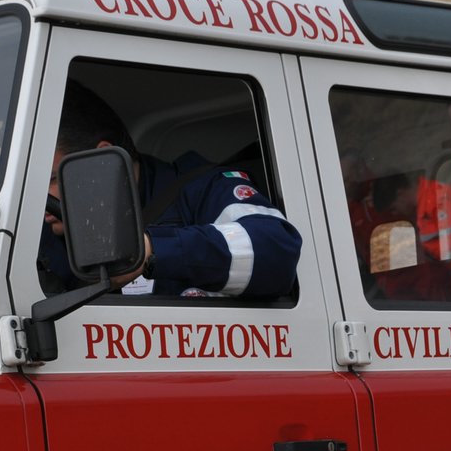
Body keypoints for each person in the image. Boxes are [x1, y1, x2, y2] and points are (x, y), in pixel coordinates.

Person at [41, 82, 301, 300]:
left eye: (52, 179)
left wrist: (152, 251)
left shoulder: (203, 191)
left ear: (100, 162)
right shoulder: (37, 235)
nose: (41, 202)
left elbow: (277, 253)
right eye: (33, 187)